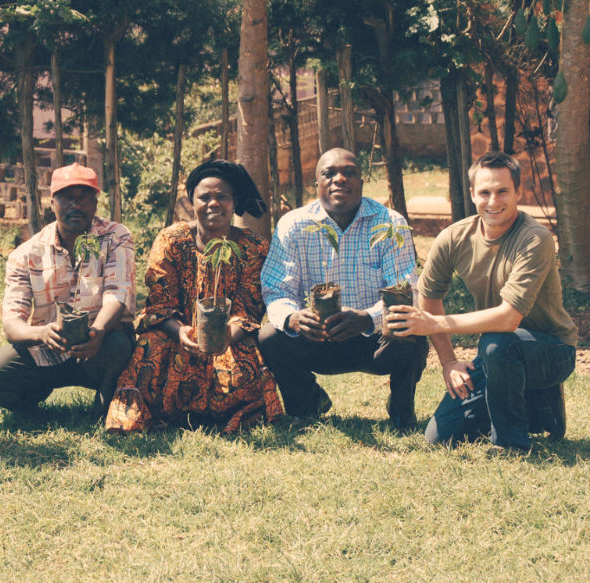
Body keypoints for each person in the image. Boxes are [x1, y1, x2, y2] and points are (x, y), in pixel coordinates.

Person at [389, 151, 577, 453]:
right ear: (472, 194)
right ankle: (538, 407)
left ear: (518, 192)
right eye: (485, 192)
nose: (493, 201)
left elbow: (508, 319)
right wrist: (449, 361)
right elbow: (429, 297)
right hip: (498, 356)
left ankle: (511, 444)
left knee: (497, 342)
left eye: (502, 191)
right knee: (440, 436)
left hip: (552, 350)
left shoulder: (535, 238)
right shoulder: (453, 238)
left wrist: (434, 323)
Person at [105, 160, 284, 434]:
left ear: (234, 203)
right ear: (192, 203)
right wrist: (181, 333)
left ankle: (217, 413)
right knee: (149, 349)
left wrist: (225, 337)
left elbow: (248, 307)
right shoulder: (172, 239)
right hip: (178, 334)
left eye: (222, 197)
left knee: (244, 368)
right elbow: (159, 303)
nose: (214, 204)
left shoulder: (253, 247)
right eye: (205, 197)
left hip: (228, 338)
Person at [258, 148, 429, 431]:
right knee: (269, 336)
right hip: (317, 338)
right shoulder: (294, 225)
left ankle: (401, 412)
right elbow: (277, 290)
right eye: (329, 173)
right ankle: (307, 404)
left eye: (349, 172)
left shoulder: (389, 223)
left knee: (409, 331)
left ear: (361, 183)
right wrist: (293, 318)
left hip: (374, 342)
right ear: (317, 185)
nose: (340, 179)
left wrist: (366, 318)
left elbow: (405, 292)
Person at [0, 163, 136, 418]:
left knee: (118, 346)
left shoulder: (115, 237)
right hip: (46, 350)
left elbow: (117, 294)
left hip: (98, 347)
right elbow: (12, 323)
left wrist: (98, 332)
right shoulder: (25, 254)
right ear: (52, 202)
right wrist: (42, 334)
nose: (76, 204)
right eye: (67, 196)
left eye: (84, 196)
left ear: (95, 202)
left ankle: (105, 407)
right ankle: (32, 396)